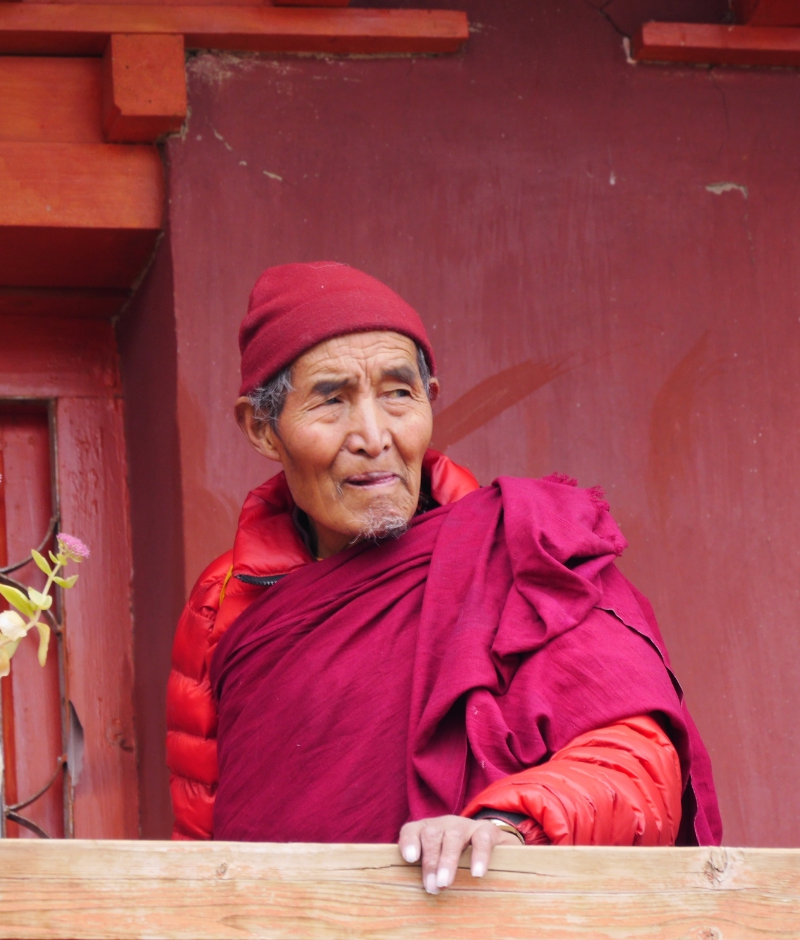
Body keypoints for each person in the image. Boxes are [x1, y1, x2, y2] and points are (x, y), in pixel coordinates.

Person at [167, 262, 720, 893]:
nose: (375, 437)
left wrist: (511, 826)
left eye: (398, 394)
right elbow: (203, 843)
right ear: (262, 429)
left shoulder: (520, 551)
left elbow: (636, 760)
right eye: (331, 400)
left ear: (430, 399)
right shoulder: (225, 600)